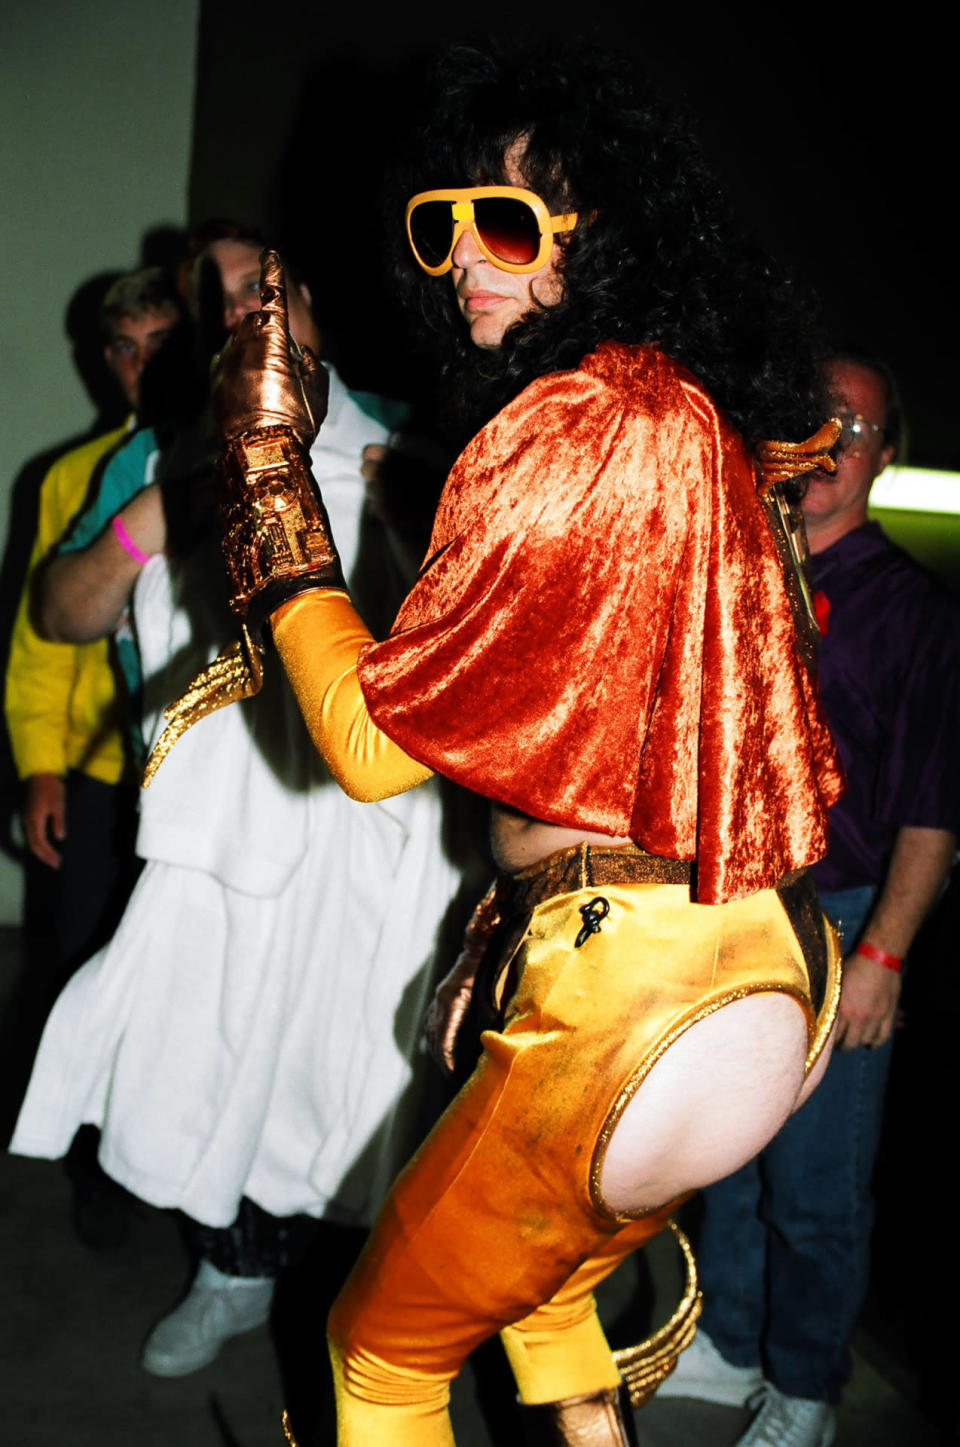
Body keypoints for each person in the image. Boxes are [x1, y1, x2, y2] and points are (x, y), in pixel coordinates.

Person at [200, 42, 848, 1447]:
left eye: (506, 224)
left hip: (625, 994)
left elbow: (371, 746)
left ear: (600, 242)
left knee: (377, 1358)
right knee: (543, 1301)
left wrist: (262, 474)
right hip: (761, 972)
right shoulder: (693, 422)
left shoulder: (567, 419)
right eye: (442, 226)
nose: (461, 262)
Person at [12, 231, 469, 1379]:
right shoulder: (165, 455)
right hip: (224, 829)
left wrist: (416, 517)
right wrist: (149, 525)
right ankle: (231, 1268)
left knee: (359, 1071)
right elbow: (62, 614)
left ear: (309, 303)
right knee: (215, 1052)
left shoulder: (414, 441)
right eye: (216, 305)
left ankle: (354, 1295)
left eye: (261, 291)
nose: (242, 316)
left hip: (383, 835)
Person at [660, 354, 960, 1447]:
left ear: (886, 454)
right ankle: (732, 1339)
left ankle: (807, 1384)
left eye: (854, 425)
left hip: (837, 924)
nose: (826, 442)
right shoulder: (738, 573)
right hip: (726, 913)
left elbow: (934, 807)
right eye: (809, 417)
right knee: (726, 1160)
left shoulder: (915, 616)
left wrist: (883, 956)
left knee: (817, 1187)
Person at [5, 267, 182, 976]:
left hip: (185, 771)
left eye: (160, 342)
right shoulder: (71, 477)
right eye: (124, 347)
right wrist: (41, 765)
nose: (141, 364)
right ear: (105, 359)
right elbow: (40, 640)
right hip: (100, 775)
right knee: (79, 968)